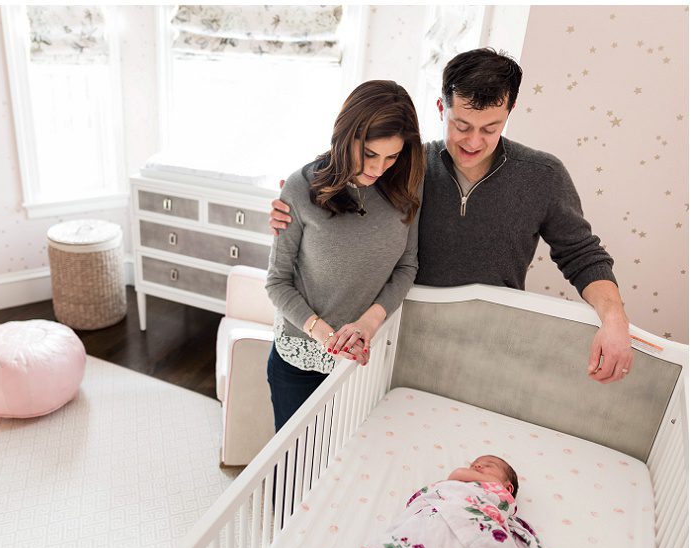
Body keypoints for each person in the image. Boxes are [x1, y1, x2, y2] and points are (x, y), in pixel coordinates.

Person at [270, 48, 634, 385]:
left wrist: (614, 319)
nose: (473, 142)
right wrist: (291, 201)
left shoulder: (542, 176)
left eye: (490, 129)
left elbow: (582, 255)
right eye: (461, 125)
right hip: (399, 349)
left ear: (510, 112)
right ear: (442, 108)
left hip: (491, 349)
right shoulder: (407, 168)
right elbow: (346, 171)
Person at [265, 80, 424, 433]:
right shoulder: (299, 187)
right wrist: (326, 336)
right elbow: (276, 282)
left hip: (363, 359)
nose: (379, 167)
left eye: (392, 156)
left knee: (343, 466)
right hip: (300, 359)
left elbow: (406, 266)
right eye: (369, 154)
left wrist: (366, 325)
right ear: (344, 135)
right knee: (295, 471)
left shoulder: (407, 186)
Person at [361, 455, 547, 548]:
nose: (477, 465)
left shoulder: (498, 490)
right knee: (429, 537)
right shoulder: (454, 486)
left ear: (509, 488)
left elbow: (457, 474)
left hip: (478, 526)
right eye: (474, 464)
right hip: (440, 515)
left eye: (489, 465)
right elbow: (451, 483)